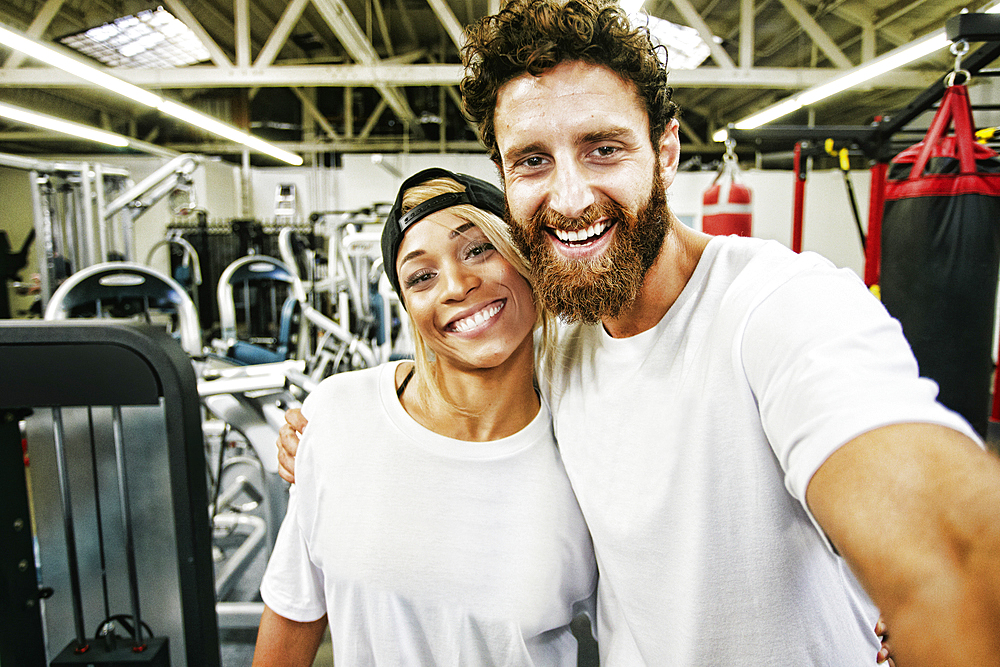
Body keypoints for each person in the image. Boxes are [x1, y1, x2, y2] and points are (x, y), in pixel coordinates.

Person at [279, 0, 1000, 664]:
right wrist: (330, 434)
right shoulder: (560, 341)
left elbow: (954, 551)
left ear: (666, 152)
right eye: (533, 160)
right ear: (504, 175)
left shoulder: (776, 307)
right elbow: (451, 383)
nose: (568, 197)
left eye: (603, 149)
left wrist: (939, 589)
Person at [253, 168, 597, 666]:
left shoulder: (585, 445)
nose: (457, 285)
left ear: (527, 261)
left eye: (478, 249)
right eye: (422, 276)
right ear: (409, 306)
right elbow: (292, 614)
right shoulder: (337, 416)